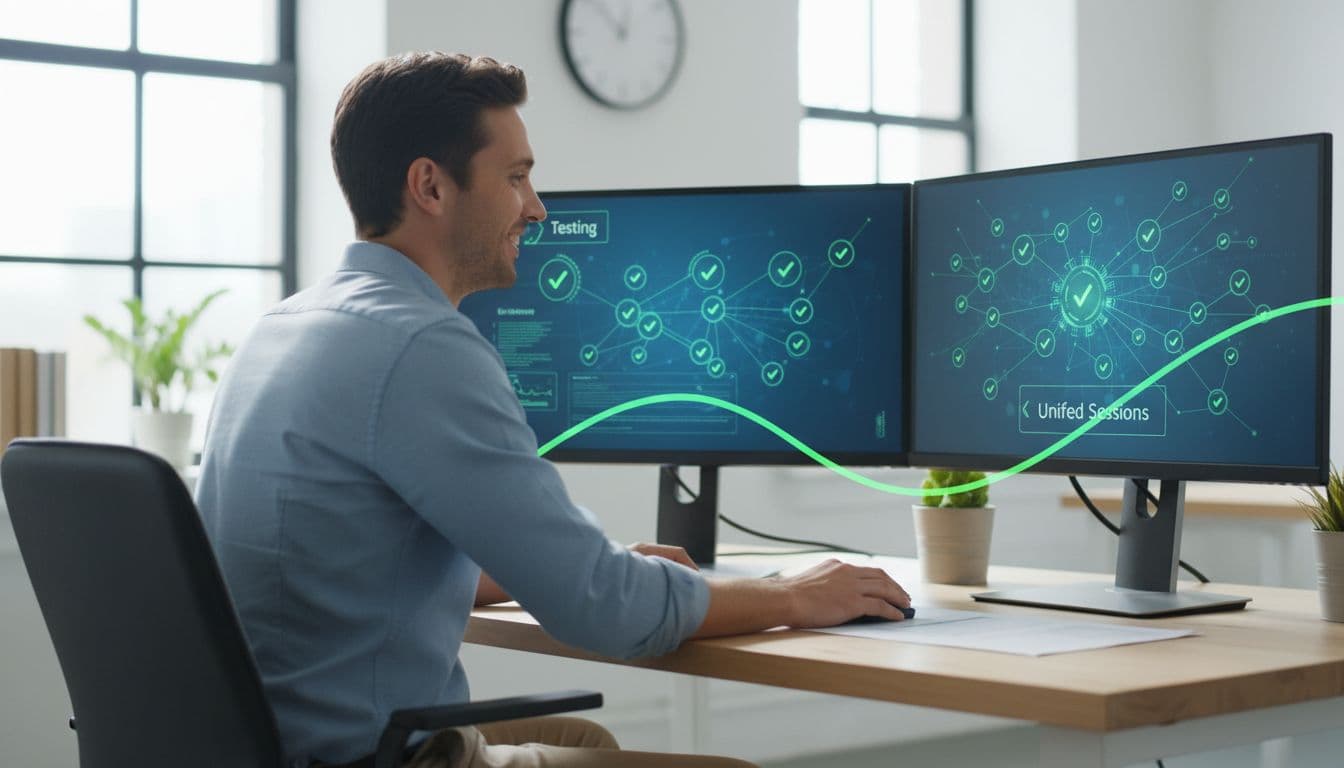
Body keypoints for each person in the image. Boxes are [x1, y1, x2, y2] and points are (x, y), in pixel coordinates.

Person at [196, 51, 912, 768]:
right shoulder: (423, 346)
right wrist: (791, 595)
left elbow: (334, 562)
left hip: (269, 738)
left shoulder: (283, 327)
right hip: (374, 756)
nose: (536, 207)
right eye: (515, 177)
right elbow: (605, 613)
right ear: (430, 187)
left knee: (584, 742)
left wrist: (558, 567)